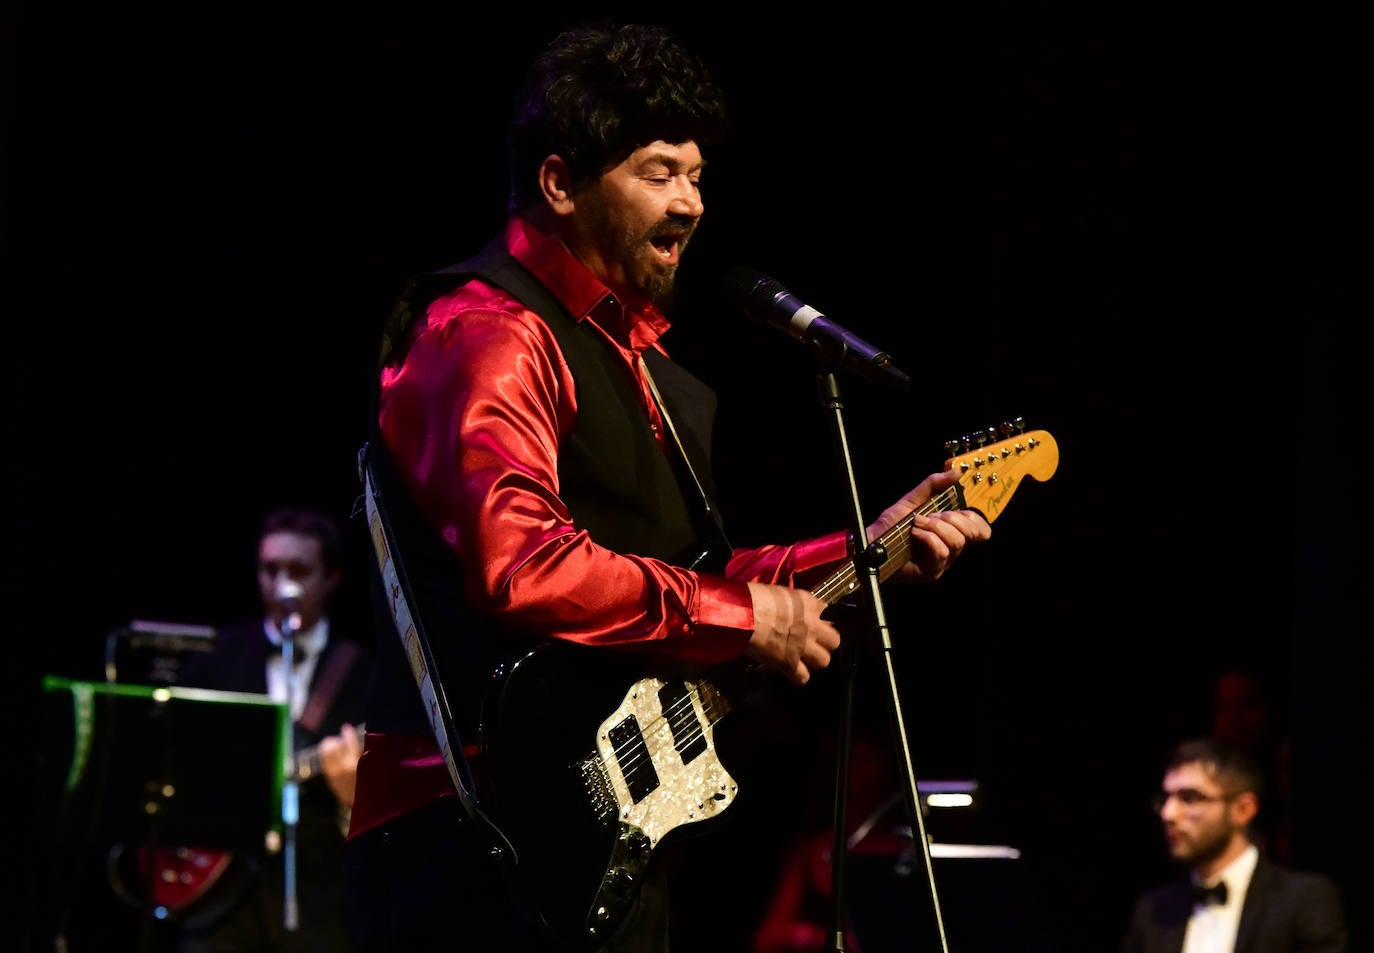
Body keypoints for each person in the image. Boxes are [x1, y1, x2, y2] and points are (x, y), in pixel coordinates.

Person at [343, 21, 992, 953]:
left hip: (589, 846)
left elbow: (696, 572)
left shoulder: (646, 364)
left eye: (696, 175)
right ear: (561, 183)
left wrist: (865, 548)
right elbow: (521, 565)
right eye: (658, 172)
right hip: (470, 846)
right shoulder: (489, 331)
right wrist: (744, 618)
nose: (690, 202)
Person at [128, 505, 373, 952]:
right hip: (217, 907)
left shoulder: (365, 676)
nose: (283, 587)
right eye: (270, 570)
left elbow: (383, 831)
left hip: (320, 906)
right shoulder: (214, 659)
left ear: (331, 578)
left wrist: (348, 803)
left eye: (298, 570)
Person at [1119, 736, 1345, 953]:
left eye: (1190, 798)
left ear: (1243, 810)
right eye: (1166, 798)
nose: (1169, 814)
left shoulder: (1303, 900)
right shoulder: (1153, 910)